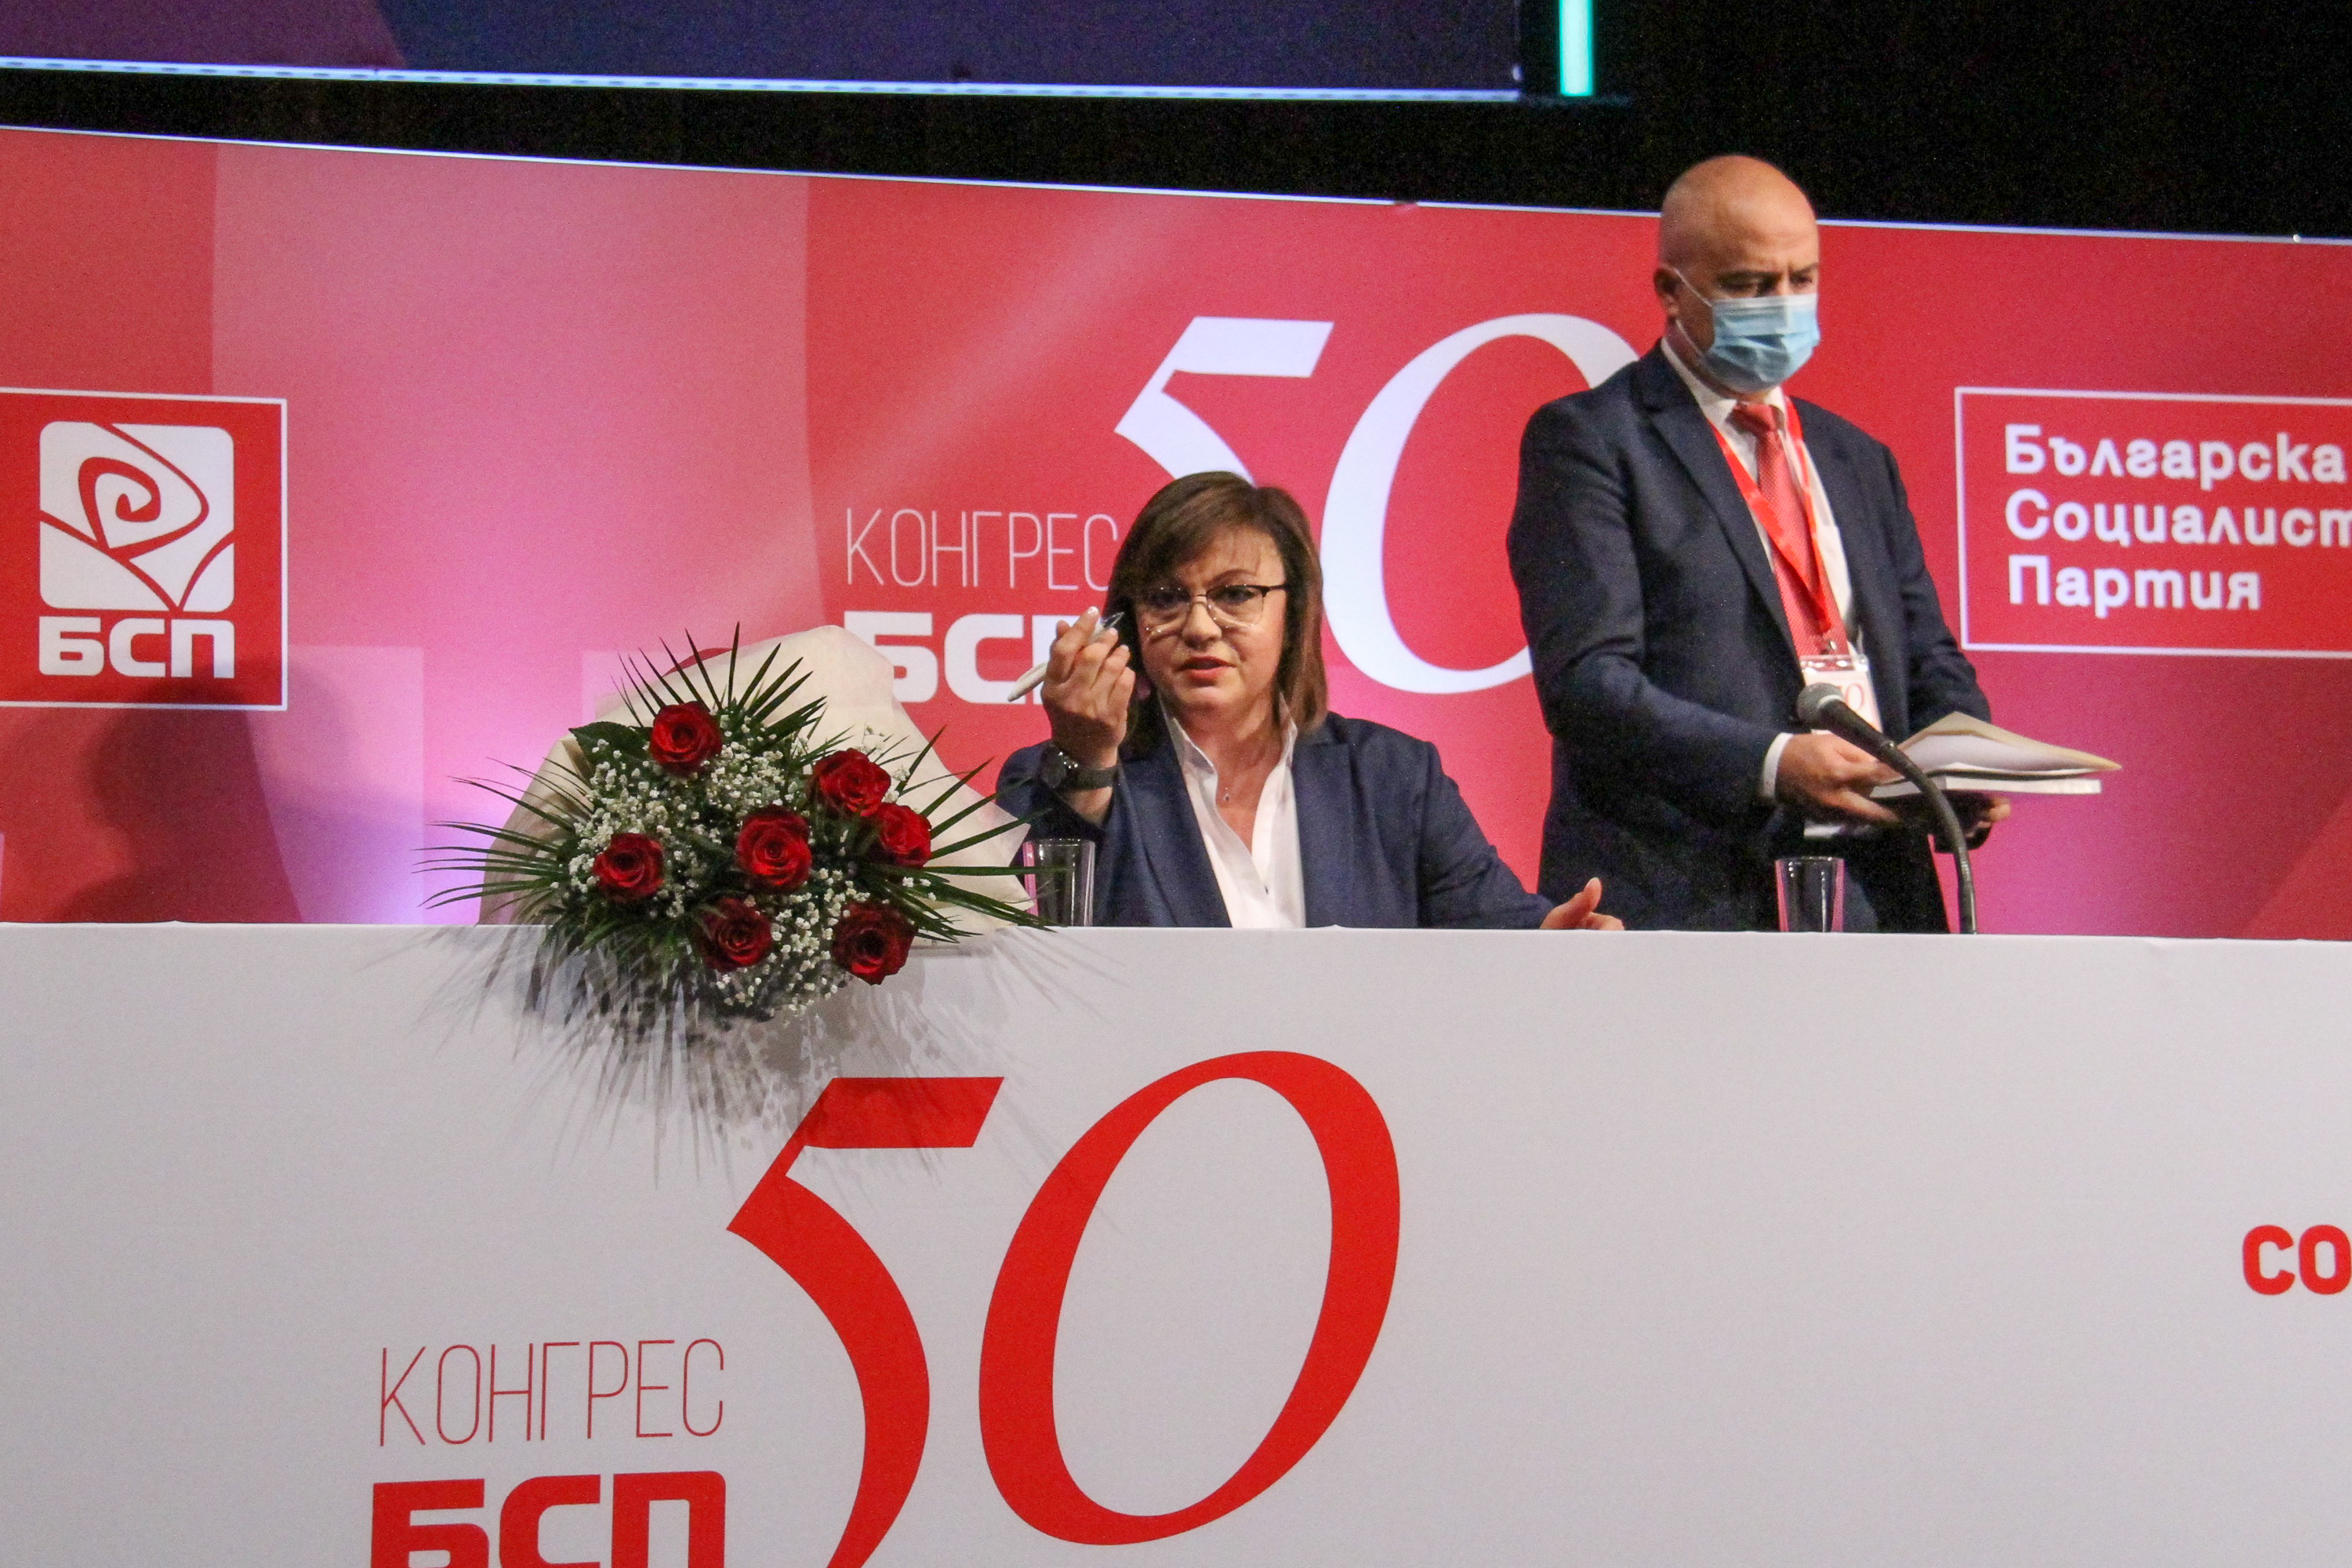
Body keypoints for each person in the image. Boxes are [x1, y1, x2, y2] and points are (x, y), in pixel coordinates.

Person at [1507, 154, 2005, 931]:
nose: (1783, 305)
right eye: (1749, 285)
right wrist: (1773, 763)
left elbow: (1927, 655)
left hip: (1879, 896)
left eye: (1802, 279)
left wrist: (1959, 763)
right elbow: (1589, 684)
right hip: (1689, 895)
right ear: (1671, 290)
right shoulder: (1593, 441)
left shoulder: (1857, 458)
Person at [999, 473, 1620, 931]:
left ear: (1293, 612)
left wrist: (1559, 943)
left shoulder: (1393, 779)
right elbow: (1041, 952)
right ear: (1128, 622)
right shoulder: (1052, 780)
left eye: (1235, 594)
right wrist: (1088, 763)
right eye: (1166, 598)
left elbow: (1502, 936)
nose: (1200, 627)